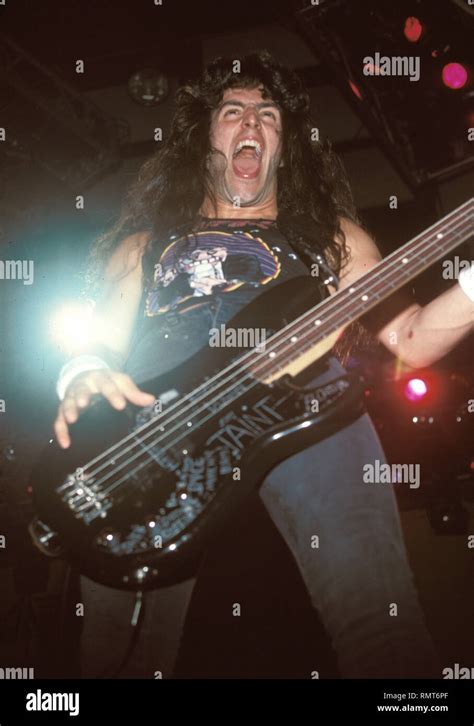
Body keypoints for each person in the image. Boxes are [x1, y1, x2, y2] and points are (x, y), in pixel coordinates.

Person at [52, 51, 473, 679]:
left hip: (308, 410)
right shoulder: (147, 244)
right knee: (121, 650)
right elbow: (98, 346)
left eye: (267, 114)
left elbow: (410, 338)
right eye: (233, 111)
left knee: (379, 625)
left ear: (282, 144)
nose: (252, 122)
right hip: (159, 423)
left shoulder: (334, 237)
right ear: (206, 141)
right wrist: (81, 374)